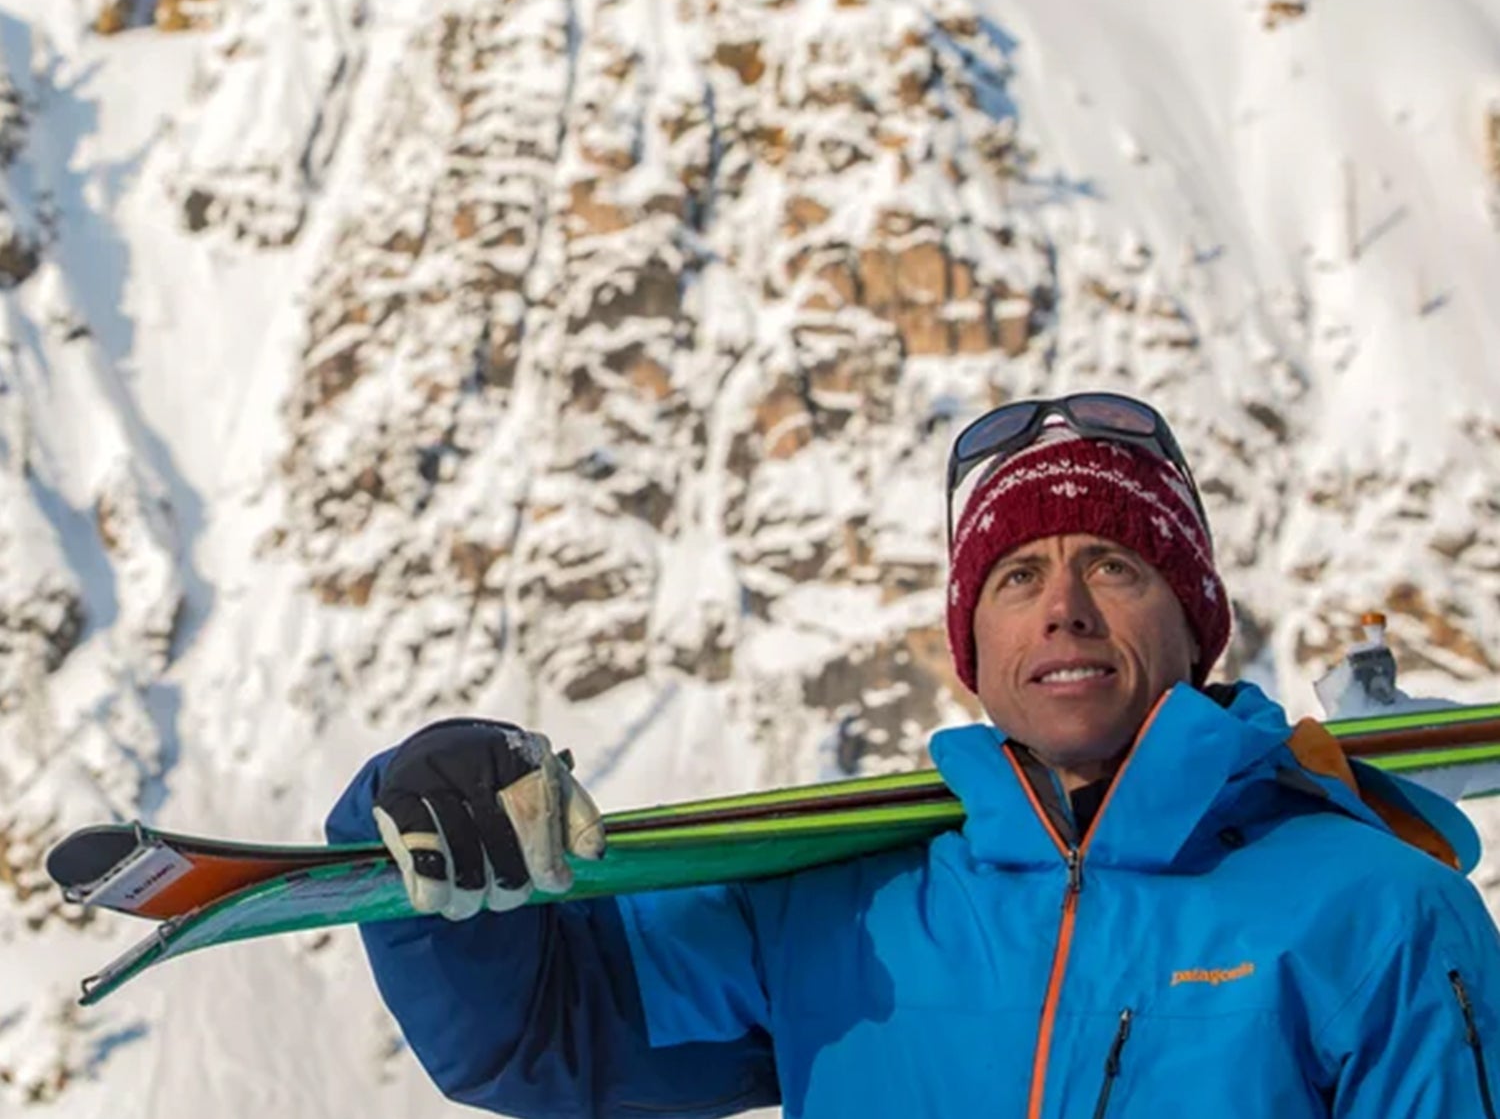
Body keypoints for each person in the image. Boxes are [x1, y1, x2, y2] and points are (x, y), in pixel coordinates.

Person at [327, 391, 1500, 1118]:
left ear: (1198, 625)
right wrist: (423, 810)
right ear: (971, 652)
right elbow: (543, 1033)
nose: (1065, 610)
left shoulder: (1380, 913)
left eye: (1117, 565)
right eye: (1017, 578)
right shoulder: (842, 907)